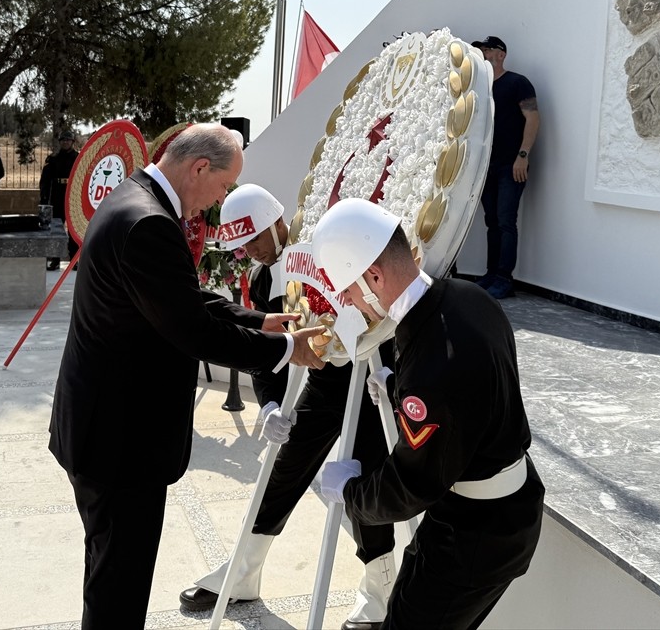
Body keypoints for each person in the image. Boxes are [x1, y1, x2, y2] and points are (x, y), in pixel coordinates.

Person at [47, 123, 328, 629]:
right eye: (223, 188)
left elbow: (176, 298)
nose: (218, 203)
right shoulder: (150, 223)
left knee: (109, 574)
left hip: (101, 429)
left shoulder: (132, 198)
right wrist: (286, 349)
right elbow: (194, 331)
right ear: (200, 168)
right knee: (119, 589)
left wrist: (256, 319)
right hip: (120, 443)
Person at [312, 198, 544, 630]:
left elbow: (411, 485)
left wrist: (351, 493)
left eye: (346, 288)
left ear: (375, 277)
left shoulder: (433, 371)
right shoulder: (469, 297)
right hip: (506, 508)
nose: (345, 299)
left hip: (475, 533)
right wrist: (403, 391)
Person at [180, 185, 396, 630]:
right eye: (243, 246)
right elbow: (267, 352)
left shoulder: (326, 249)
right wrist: (273, 404)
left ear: (278, 222)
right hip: (322, 378)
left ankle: (380, 588)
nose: (252, 252)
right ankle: (243, 574)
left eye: (256, 240)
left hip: (370, 374)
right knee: (281, 473)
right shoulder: (263, 280)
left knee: (365, 481)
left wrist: (397, 372)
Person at [472, 36, 540, 299]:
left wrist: (523, 155)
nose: (484, 54)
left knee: (505, 220)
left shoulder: (517, 83)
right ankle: (491, 274)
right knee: (492, 222)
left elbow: (533, 118)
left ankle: (504, 278)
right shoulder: (479, 87)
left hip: (511, 166)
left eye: (487, 50)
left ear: (501, 54)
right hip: (486, 166)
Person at [39, 128, 79, 270]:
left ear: (73, 142)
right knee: (56, 229)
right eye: (63, 140)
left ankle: (74, 260)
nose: (65, 142)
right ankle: (55, 260)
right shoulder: (53, 159)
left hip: (72, 196)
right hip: (57, 195)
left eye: (68, 140)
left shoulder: (78, 158)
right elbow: (45, 180)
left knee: (73, 230)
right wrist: (43, 197)